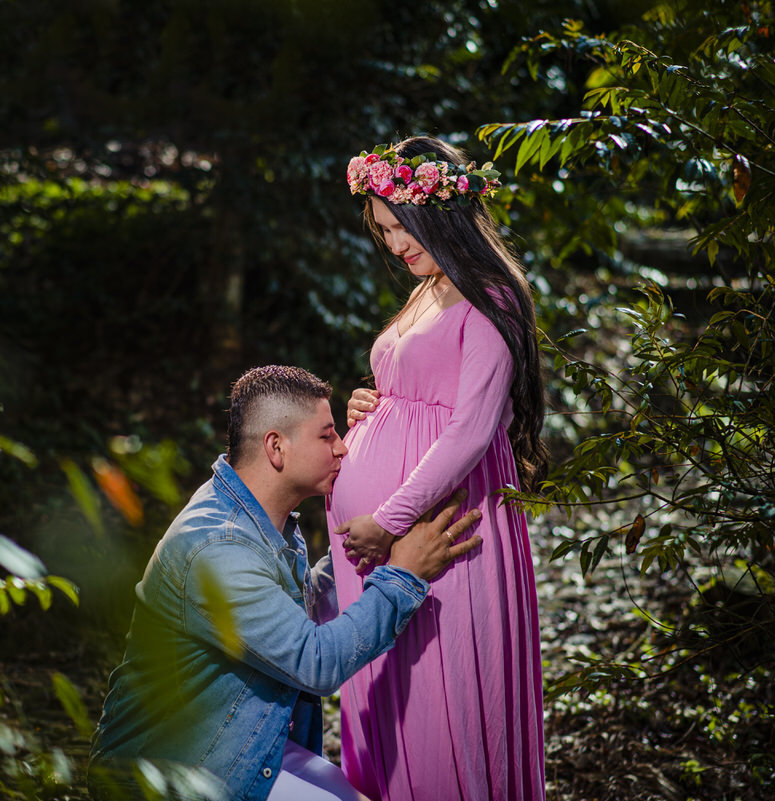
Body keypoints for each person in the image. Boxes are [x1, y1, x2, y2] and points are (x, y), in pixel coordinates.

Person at [88, 365, 483, 801]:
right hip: (169, 772)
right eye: (326, 435)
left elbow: (299, 613)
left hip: (233, 745)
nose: (342, 449)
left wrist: (385, 537)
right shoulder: (216, 547)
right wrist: (403, 576)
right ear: (276, 447)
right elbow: (314, 661)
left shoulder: (259, 517)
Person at [328, 137, 549, 801]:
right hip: (381, 542)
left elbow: (471, 431)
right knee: (392, 704)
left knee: (441, 703)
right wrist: (367, 401)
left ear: (437, 212)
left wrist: (388, 519)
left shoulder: (489, 298)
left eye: (398, 226)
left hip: (436, 533)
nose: (393, 245)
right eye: (383, 231)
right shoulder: (430, 290)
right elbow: (413, 391)